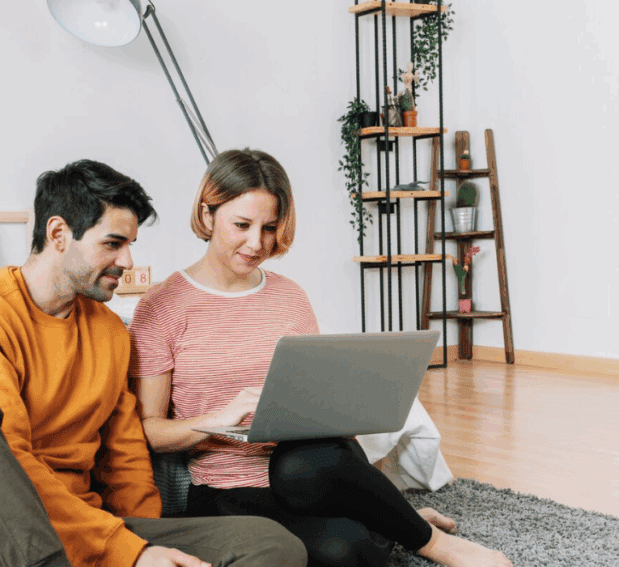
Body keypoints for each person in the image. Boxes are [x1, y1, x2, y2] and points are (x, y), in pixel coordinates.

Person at [0, 159, 309, 567]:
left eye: (130, 245)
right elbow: (7, 462)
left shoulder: (110, 331)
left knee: (274, 546)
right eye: (113, 244)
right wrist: (128, 553)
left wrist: (150, 546)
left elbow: (125, 461)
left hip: (83, 529)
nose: (128, 262)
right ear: (59, 234)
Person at [128, 148, 512, 567]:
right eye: (241, 225)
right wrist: (217, 418)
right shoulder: (162, 306)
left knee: (306, 461)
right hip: (226, 489)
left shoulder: (289, 296)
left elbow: (324, 419)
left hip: (303, 472)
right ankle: (396, 523)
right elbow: (148, 430)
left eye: (269, 228)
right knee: (351, 551)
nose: (256, 243)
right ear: (207, 214)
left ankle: (431, 542)